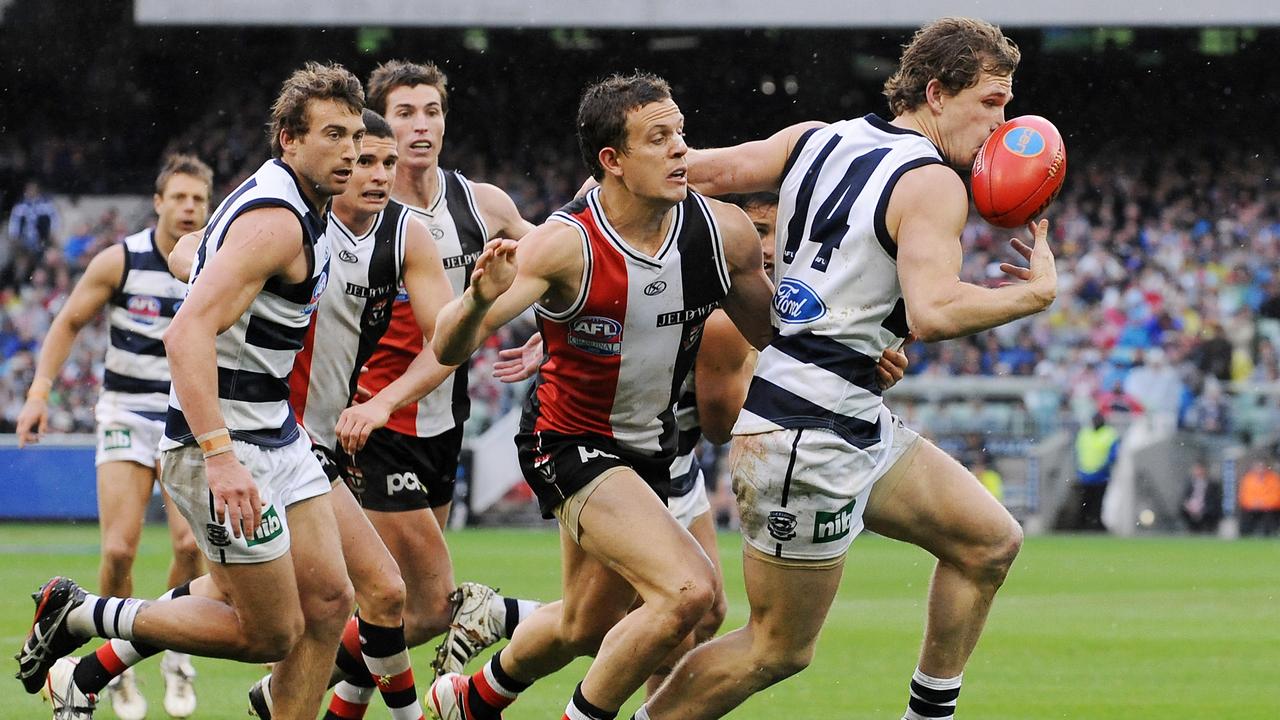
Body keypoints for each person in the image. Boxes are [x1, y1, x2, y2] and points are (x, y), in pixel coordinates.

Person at [633, 18, 1053, 720]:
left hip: (846, 414)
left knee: (988, 543)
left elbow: (705, 171)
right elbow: (937, 310)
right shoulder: (933, 185)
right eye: (991, 101)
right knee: (776, 649)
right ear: (937, 91)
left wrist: (591, 197)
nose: (1001, 123)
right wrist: (1032, 294)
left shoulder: (818, 136)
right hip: (807, 435)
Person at [17, 61, 365, 720]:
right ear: (289, 140)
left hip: (277, 435)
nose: (348, 151)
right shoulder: (277, 220)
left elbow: (197, 262)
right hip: (232, 443)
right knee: (267, 632)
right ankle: (83, 613)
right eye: (332, 135)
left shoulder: (289, 204)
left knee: (329, 603)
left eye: (354, 134)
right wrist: (220, 455)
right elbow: (186, 333)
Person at [425, 71, 776, 720]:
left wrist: (858, 346)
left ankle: (471, 701)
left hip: (657, 449)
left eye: (681, 134)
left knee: (590, 625)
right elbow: (447, 346)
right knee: (687, 592)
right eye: (659, 138)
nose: (681, 150)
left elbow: (774, 333)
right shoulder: (567, 246)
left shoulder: (724, 234)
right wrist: (477, 297)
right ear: (612, 161)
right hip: (571, 441)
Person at [489, 191, 912, 698]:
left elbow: (795, 350)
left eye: (778, 232)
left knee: (631, 619)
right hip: (612, 440)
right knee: (679, 601)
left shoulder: (752, 290)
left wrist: (855, 366)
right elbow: (721, 422)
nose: (771, 246)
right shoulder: (719, 303)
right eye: (757, 232)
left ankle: (479, 681)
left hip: (660, 447)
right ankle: (517, 654)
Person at [347, 60, 541, 686]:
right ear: (377, 124)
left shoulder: (483, 205)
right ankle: (284, 685)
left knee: (379, 600)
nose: (421, 125)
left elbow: (573, 271)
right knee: (426, 606)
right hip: (372, 421)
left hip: (441, 423)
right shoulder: (355, 206)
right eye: (404, 113)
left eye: (432, 111)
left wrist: (548, 338)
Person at [14, 154, 213, 720]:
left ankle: (176, 654)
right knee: (120, 548)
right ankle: (114, 669)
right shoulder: (121, 258)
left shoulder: (218, 261)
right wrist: (39, 393)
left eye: (199, 198)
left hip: (187, 417)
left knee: (186, 545)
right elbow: (69, 321)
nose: (190, 207)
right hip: (126, 412)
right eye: (179, 197)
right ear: (159, 202)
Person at [1075, 412, 1119, 532]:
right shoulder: (1105, 434)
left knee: (1096, 502)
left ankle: (1092, 524)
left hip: (1098, 474)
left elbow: (1113, 455)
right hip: (1089, 474)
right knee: (1088, 501)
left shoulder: (1104, 434)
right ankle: (1087, 524)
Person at [1237, 458, 1280, 537]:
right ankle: (1245, 535)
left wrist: (1264, 503)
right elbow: (1244, 496)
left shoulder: (1274, 479)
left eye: (1261, 467)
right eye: (1257, 467)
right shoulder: (1248, 479)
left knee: (1269, 516)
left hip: (1268, 508)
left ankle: (1269, 534)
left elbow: (1276, 496)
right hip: (1251, 508)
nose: (1260, 470)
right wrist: (1253, 503)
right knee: (1245, 515)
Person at [1179, 460, 1222, 534]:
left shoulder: (1213, 484)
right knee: (1183, 510)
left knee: (1211, 513)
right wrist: (1189, 506)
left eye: (1199, 469)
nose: (1197, 471)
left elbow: (1215, 500)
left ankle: (1208, 530)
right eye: (1196, 469)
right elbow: (1185, 498)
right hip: (1192, 509)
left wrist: (1203, 508)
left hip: (1207, 510)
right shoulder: (1190, 484)